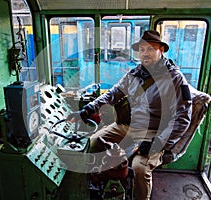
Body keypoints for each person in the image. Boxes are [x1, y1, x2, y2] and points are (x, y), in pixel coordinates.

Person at [68, 30, 192, 200]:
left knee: (140, 168)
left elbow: (182, 119)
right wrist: (89, 108)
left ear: (161, 50)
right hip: (128, 125)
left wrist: (158, 144)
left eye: (150, 49)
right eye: (141, 50)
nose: (145, 53)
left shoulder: (175, 79)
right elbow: (113, 93)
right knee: (93, 143)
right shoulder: (135, 74)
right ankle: (98, 184)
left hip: (154, 133)